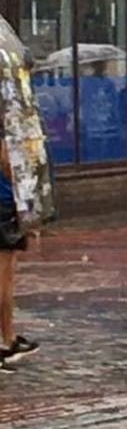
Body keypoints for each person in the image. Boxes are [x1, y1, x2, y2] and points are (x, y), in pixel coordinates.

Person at [0, 137, 38, 370]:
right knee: (3, 281)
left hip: (6, 206)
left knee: (8, 279)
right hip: (4, 207)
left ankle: (8, 338)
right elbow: (8, 165)